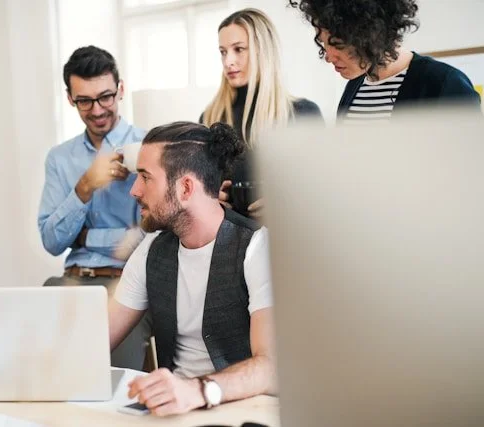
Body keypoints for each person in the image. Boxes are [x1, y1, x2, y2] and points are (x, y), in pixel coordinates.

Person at [109, 121, 276, 416]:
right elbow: (98, 337)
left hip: (243, 410)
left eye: (145, 177)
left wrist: (199, 390)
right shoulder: (151, 250)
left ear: (186, 188)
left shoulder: (257, 248)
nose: (134, 190)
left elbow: (270, 365)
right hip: (173, 414)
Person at [38, 45, 149, 370]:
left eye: (106, 97)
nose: (98, 109)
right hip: (71, 281)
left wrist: (87, 238)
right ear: (70, 98)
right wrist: (85, 186)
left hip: (126, 283)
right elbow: (51, 240)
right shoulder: (60, 158)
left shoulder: (150, 146)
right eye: (85, 100)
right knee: (40, 372)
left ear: (121, 90)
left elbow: (149, 237)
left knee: (109, 383)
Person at [201, 8, 323, 218]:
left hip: (284, 238)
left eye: (239, 49)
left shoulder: (303, 114)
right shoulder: (210, 118)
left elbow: (322, 190)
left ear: (262, 51)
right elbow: (200, 186)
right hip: (228, 240)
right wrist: (210, 196)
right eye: (223, 51)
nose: (228, 61)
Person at [288, 0, 481, 124]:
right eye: (323, 43)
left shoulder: (443, 84)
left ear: (371, 35)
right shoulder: (353, 87)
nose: (328, 56)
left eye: (338, 44)